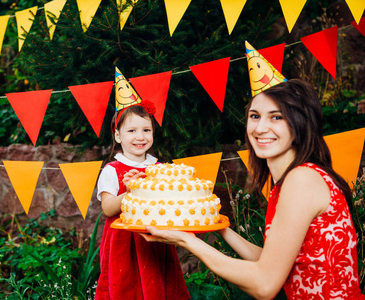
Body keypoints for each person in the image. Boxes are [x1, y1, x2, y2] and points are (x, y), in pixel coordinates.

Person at [141, 79, 364, 299]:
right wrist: (220, 228)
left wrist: (185, 240)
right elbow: (271, 261)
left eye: (276, 117)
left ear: (299, 125)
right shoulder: (292, 180)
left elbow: (265, 285)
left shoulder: (302, 179)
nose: (260, 128)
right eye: (255, 116)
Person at [95, 67, 190, 300]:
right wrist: (133, 191)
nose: (140, 136)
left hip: (155, 238)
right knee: (128, 289)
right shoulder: (112, 169)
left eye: (146, 129)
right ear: (118, 136)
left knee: (157, 285)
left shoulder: (158, 168)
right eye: (132, 130)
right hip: (124, 244)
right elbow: (107, 209)